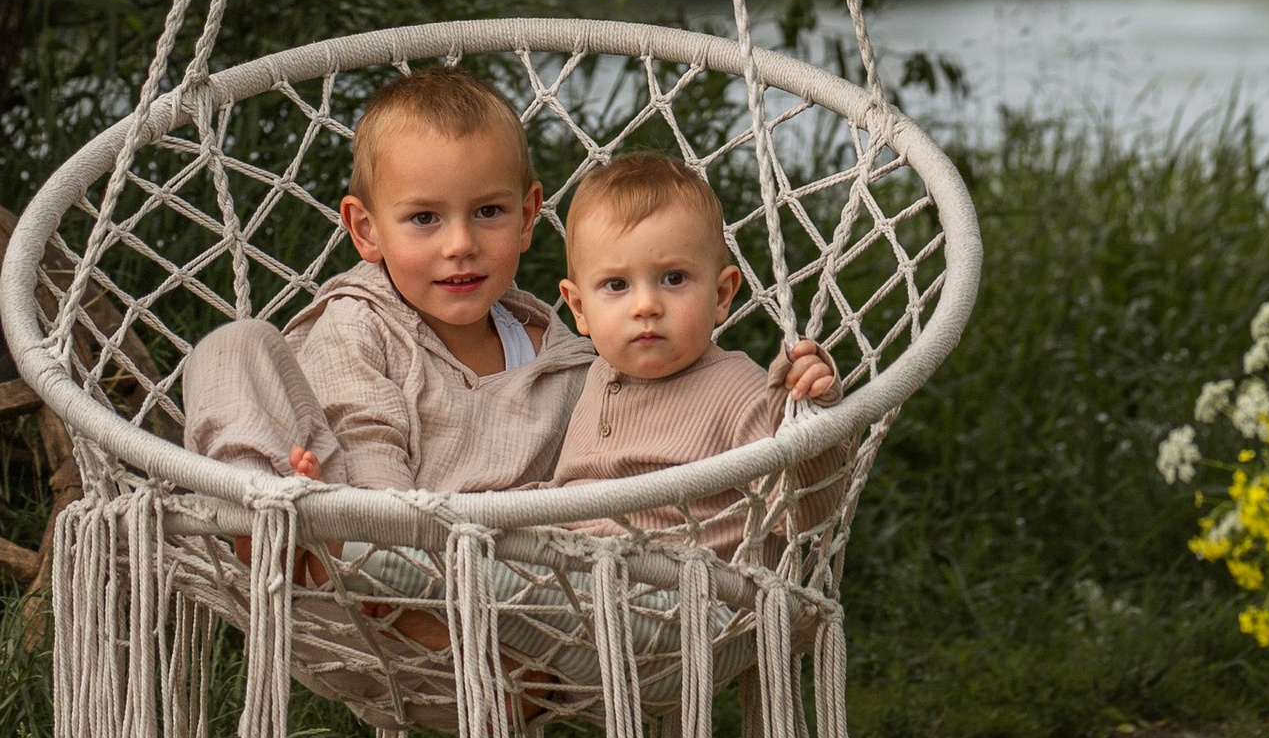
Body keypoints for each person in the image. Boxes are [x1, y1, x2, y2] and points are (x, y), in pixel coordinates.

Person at [179, 66, 589, 495]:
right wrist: (383, 538)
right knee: (235, 345)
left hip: (497, 551)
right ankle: (260, 510)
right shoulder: (361, 323)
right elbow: (364, 444)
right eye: (424, 218)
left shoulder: (560, 363)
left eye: (488, 212)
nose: (460, 245)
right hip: (360, 517)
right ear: (365, 230)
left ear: (526, 218)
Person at [548, 148, 839, 535]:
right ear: (580, 308)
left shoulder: (739, 393)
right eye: (617, 285)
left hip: (680, 585)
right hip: (570, 577)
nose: (646, 306)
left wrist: (811, 420)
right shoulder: (595, 377)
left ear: (721, 296)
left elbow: (797, 515)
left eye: (673, 279)